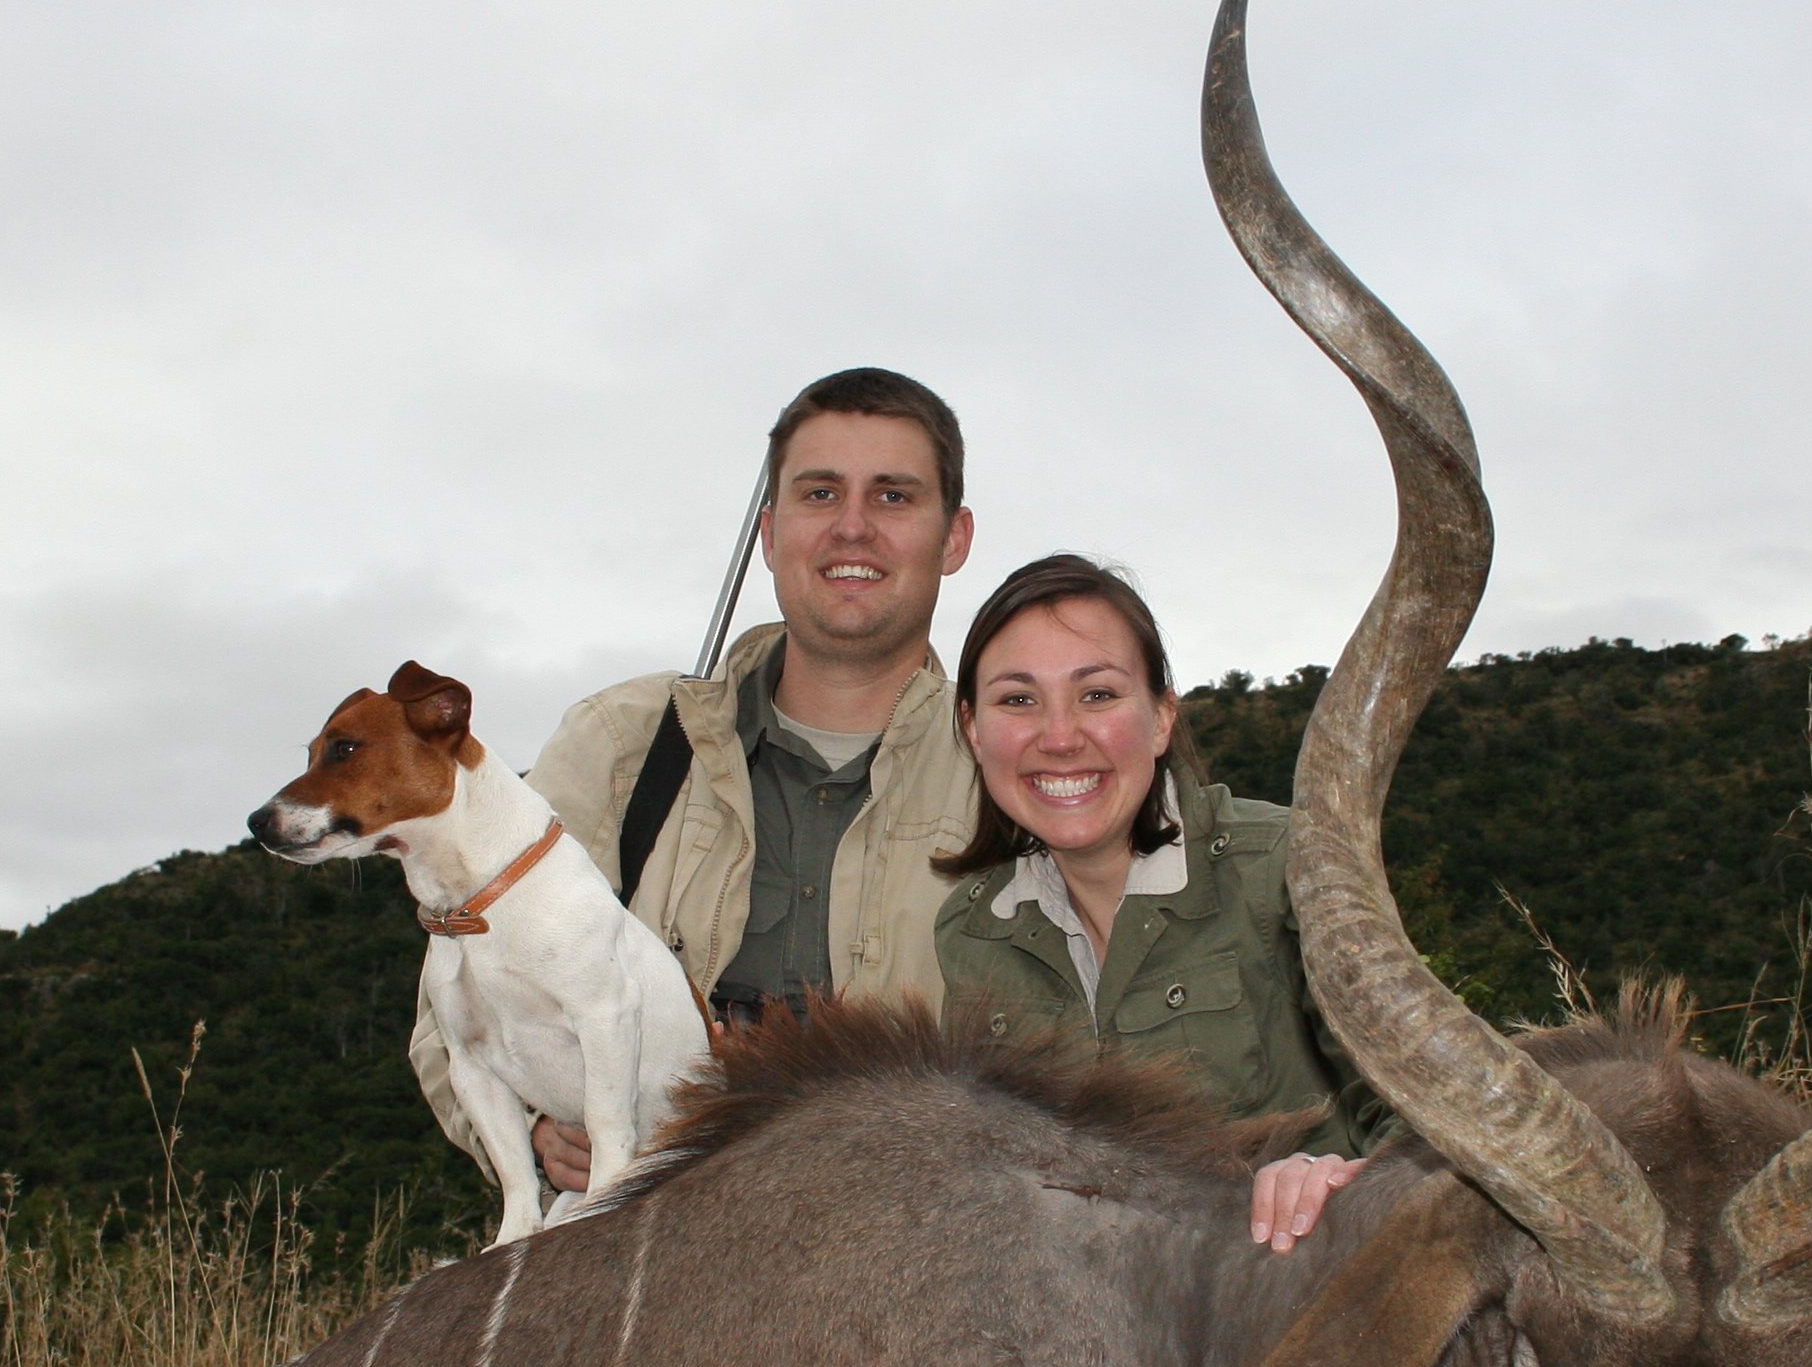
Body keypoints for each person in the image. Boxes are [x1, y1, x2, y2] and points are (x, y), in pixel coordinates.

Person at [407, 368, 984, 1201]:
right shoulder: (620, 746)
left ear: (954, 537)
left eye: (894, 497)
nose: (852, 528)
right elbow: (451, 1008)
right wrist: (539, 1135)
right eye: (819, 494)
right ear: (769, 530)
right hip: (641, 1249)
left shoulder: (1017, 769)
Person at [931, 554, 1389, 1253]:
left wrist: (1343, 1178)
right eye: (1018, 700)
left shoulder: (1293, 865)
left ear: (1161, 718)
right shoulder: (972, 930)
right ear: (972, 728)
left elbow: (1433, 1127)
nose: (1058, 737)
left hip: (1295, 1305)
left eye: (1098, 695)